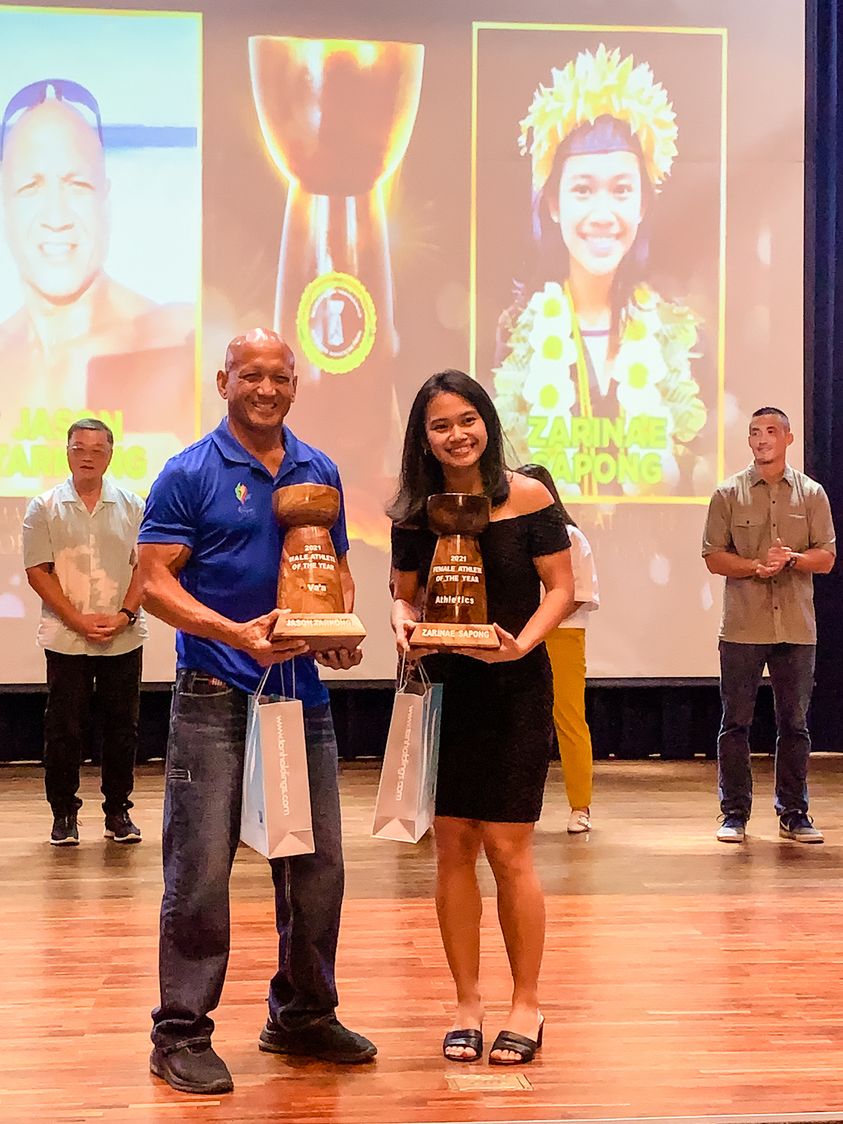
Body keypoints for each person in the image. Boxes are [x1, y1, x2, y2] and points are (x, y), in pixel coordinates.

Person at [138, 328, 375, 1096]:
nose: (265, 389)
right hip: (214, 696)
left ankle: (302, 1014)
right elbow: (153, 583)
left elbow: (335, 573)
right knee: (199, 872)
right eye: (250, 376)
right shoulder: (188, 472)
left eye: (278, 377)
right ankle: (179, 1031)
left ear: (295, 385)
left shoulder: (319, 469)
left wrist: (337, 631)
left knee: (316, 870)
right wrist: (230, 632)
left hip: (300, 700)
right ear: (222, 381)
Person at [389, 369, 574, 1065]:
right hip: (442, 690)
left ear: (486, 423)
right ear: (425, 438)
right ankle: (466, 1003)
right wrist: (402, 625)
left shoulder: (527, 496)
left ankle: (525, 1004)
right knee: (452, 845)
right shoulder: (414, 511)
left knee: (508, 847)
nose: (457, 435)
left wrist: (520, 644)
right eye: (441, 425)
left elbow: (561, 586)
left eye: (467, 420)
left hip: (514, 685)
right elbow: (402, 597)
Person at [493, 44, 707, 499]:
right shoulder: (517, 335)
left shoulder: (679, 339)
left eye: (622, 190)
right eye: (584, 190)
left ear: (644, 204)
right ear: (552, 203)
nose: (603, 213)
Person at [0, 78, 195, 489]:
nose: (57, 215)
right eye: (30, 187)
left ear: (106, 201)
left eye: (78, 186)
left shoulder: (179, 344)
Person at [702, 406, 835, 844]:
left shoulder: (812, 493)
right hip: (742, 627)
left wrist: (793, 559)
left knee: (794, 724)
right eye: (755, 433)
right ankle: (734, 813)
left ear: (788, 439)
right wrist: (754, 567)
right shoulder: (728, 493)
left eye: (771, 432)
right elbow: (713, 556)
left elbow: (827, 557)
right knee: (735, 722)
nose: (761, 440)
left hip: (796, 628)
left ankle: (794, 812)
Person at [22, 417, 146, 846]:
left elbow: (146, 569)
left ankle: (117, 813)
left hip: (122, 635)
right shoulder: (44, 506)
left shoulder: (133, 505)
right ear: (67, 452)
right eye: (79, 447)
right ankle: (64, 815)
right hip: (65, 637)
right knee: (64, 729)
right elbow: (38, 570)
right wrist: (76, 620)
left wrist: (125, 614)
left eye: (97, 448)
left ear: (111, 454)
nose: (88, 456)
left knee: (122, 729)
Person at [517, 463, 599, 833]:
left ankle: (580, 806)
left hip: (563, 636)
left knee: (568, 719)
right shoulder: (513, 533)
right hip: (516, 638)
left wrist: (541, 618)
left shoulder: (571, 537)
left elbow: (579, 595)